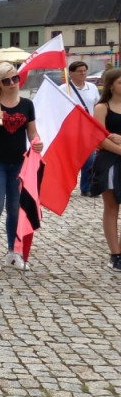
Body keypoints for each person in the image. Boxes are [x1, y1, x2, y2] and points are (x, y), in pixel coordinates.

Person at [0, 62, 42, 271]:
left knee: (14, 207)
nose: (13, 83)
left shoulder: (27, 104)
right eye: (7, 80)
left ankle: (13, 252)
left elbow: (32, 132)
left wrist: (37, 142)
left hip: (18, 163)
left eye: (15, 78)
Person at [91, 68, 121, 271]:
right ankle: (115, 254)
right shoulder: (102, 107)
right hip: (109, 162)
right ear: (111, 85)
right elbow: (99, 138)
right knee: (111, 208)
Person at [67, 60, 100, 196]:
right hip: (70, 130)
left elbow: (98, 105)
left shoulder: (92, 87)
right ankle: (66, 186)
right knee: (70, 161)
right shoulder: (65, 89)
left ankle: (87, 188)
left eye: (84, 71)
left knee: (90, 159)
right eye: (79, 71)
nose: (83, 73)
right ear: (71, 73)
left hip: (88, 130)